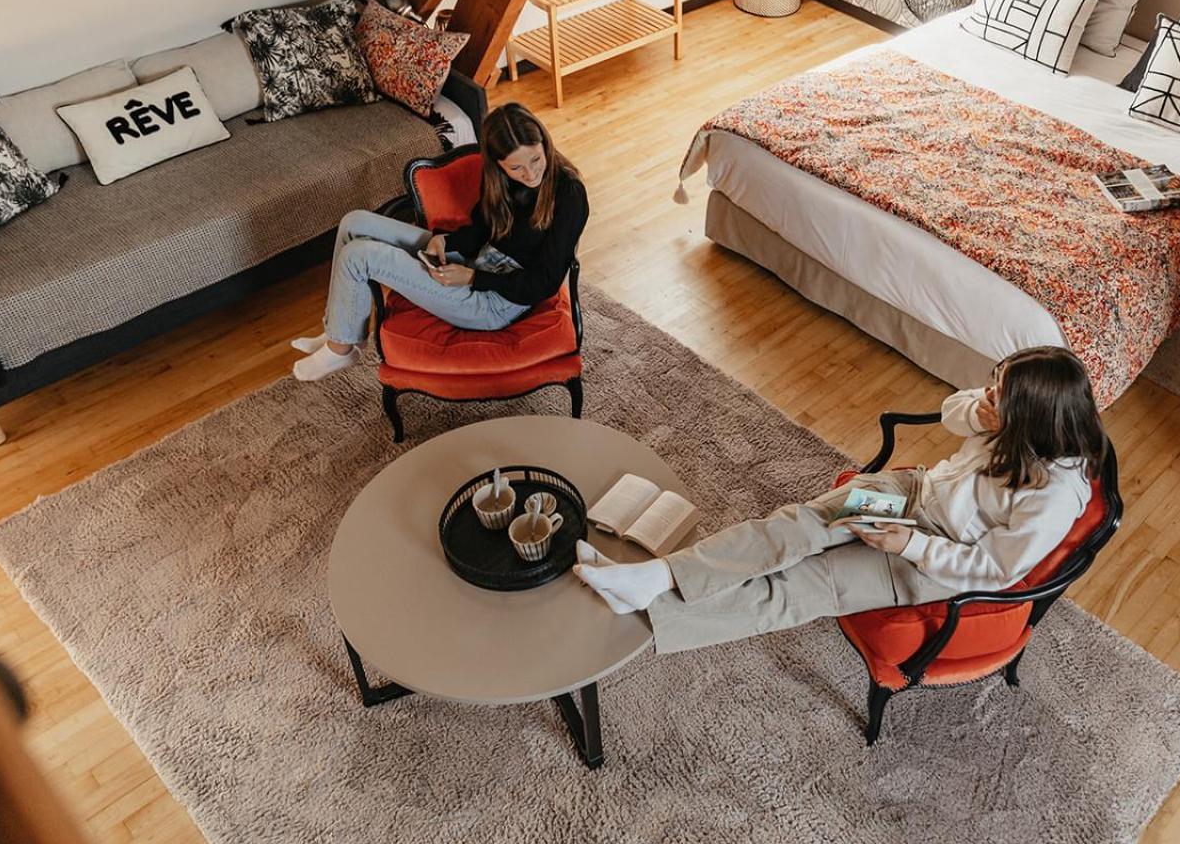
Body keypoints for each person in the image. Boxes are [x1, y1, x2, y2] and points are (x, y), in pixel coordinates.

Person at [574, 346, 1107, 654]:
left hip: (933, 558)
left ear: (1036, 417)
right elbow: (952, 412)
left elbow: (993, 570)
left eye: (998, 395)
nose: (986, 396)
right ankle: (658, 575)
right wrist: (979, 412)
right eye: (992, 384)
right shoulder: (1007, 416)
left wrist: (908, 546)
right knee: (798, 527)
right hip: (912, 496)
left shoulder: (1055, 494)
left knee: (801, 587)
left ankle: (652, 609)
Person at [290, 103, 587, 381]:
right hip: (474, 262)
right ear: (499, 165)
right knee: (355, 222)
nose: (531, 173)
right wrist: (446, 241)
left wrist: (473, 278)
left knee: (359, 256)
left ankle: (340, 351)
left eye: (536, 159)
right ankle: (340, 331)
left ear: (544, 144)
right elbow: (481, 230)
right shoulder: (501, 181)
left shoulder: (569, 195)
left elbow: (546, 281)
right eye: (516, 168)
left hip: (495, 302)